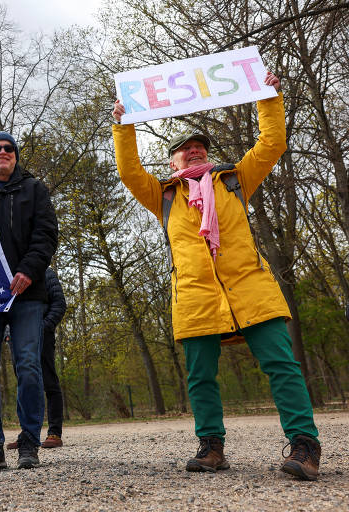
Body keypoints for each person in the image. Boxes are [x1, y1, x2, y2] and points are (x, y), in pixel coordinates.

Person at [111, 72, 321, 480]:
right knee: (200, 376)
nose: (193, 152)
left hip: (251, 288)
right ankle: (211, 447)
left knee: (282, 365)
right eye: (184, 150)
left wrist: (268, 96)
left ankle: (305, 447)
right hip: (194, 298)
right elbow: (129, 171)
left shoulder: (234, 180)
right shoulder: (165, 195)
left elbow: (272, 143)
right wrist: (123, 125)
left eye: (199, 147)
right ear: (172, 163)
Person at [0, 131, 58, 474]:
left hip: (27, 293)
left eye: (9, 148)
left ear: (16, 156)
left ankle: (29, 442)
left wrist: (28, 271)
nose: (2, 152)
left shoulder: (35, 189)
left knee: (29, 367)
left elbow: (47, 233)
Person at [7, 266, 67, 450]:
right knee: (25, 384)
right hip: (16, 339)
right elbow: (4, 309)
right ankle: (27, 433)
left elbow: (59, 305)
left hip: (42, 336)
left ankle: (54, 433)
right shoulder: (7, 272)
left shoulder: (46, 273)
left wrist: (42, 328)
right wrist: (7, 333)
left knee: (49, 383)